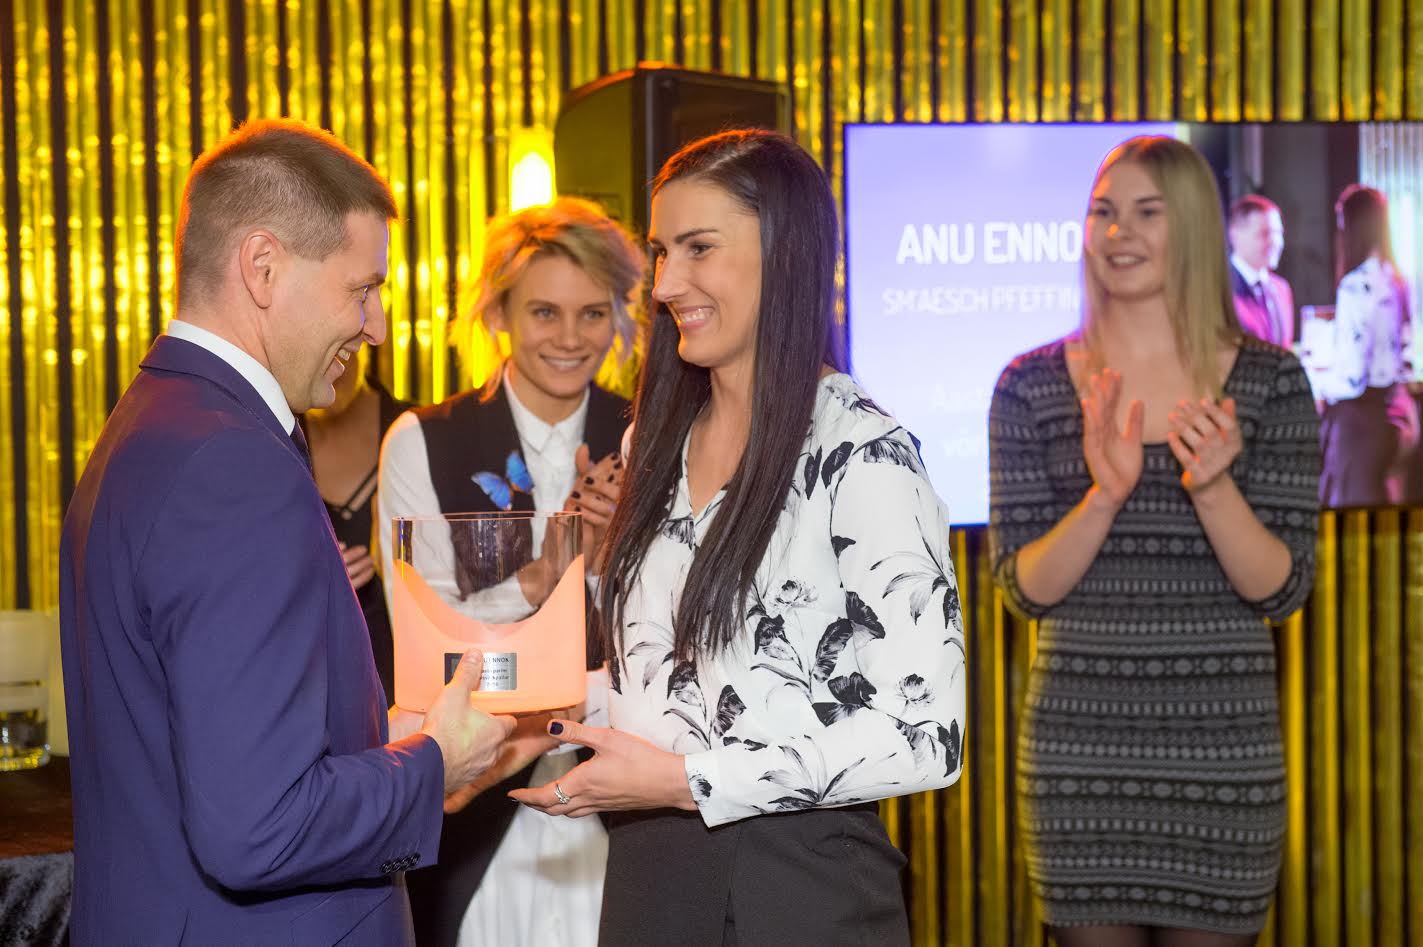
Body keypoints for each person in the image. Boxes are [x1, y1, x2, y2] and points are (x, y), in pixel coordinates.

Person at [58, 118, 515, 946]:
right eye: (362, 289)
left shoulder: (153, 424)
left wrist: (380, 740)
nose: (376, 326)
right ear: (263, 267)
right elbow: (258, 825)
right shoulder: (233, 464)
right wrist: (433, 761)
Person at [508, 129, 967, 945]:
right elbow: (683, 678)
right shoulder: (656, 437)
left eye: (697, 249)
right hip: (651, 871)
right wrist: (531, 717)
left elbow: (925, 734)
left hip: (798, 886)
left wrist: (686, 780)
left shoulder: (859, 450)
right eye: (659, 252)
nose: (664, 283)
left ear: (785, 254)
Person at [987, 136, 1320, 946]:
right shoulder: (1027, 383)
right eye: (1102, 212)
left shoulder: (1270, 381)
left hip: (1222, 762)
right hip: (1080, 759)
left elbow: (1280, 589)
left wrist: (1210, 485)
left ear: (1196, 229)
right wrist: (1106, 494)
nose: (1115, 232)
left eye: (1144, 212)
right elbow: (1022, 587)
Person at [378, 196, 642, 947]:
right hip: (484, 799)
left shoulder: (650, 435)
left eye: (593, 314)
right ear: (498, 313)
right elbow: (424, 651)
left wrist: (621, 550)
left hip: (620, 798)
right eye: (543, 313)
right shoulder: (424, 442)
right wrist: (542, 577)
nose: (569, 338)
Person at [301, 343, 411, 699]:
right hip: (312, 689)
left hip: (405, 680)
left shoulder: (417, 433)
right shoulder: (266, 439)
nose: (334, 357)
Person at [1310, 184, 1416, 507]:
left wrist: (1315, 379)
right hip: (1394, 415)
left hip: (1359, 427)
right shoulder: (1395, 279)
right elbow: (1407, 351)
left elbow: (1351, 379)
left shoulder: (1356, 285)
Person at [1227, 194, 1295, 347]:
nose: (1275, 242)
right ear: (1235, 235)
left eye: (1278, 233)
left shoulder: (1281, 289)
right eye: (1265, 233)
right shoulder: (1219, 291)